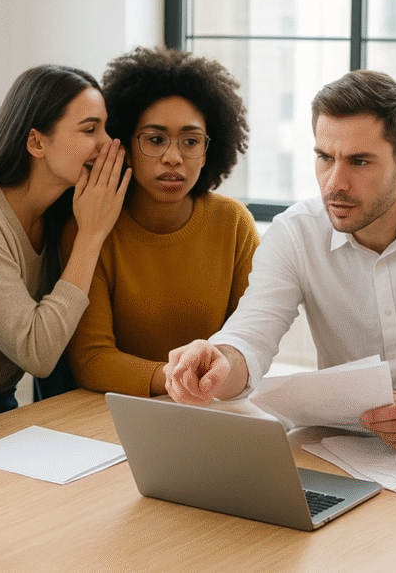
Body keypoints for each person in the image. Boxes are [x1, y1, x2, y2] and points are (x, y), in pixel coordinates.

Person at [165, 69, 396, 452]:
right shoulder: (295, 233)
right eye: (325, 157)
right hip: (345, 448)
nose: (334, 183)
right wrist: (218, 361)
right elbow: (249, 339)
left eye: (358, 162)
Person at [0, 66, 130, 413]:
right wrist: (91, 235)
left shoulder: (60, 215)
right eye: (90, 129)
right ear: (36, 142)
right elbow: (38, 353)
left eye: (105, 128)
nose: (108, 144)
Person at [63, 46, 258, 397]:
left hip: (213, 405)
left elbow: (250, 340)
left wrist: (200, 380)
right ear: (124, 143)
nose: (173, 157)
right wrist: (175, 377)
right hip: (113, 411)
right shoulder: (92, 228)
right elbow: (91, 359)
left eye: (191, 141)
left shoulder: (234, 224)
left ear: (209, 148)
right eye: (155, 140)